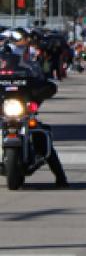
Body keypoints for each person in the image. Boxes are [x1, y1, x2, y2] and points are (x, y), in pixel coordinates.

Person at [0, 43, 69, 188]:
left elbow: (40, 82)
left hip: (23, 112)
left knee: (42, 137)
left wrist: (43, 87)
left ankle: (61, 177)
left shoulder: (25, 72)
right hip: (3, 112)